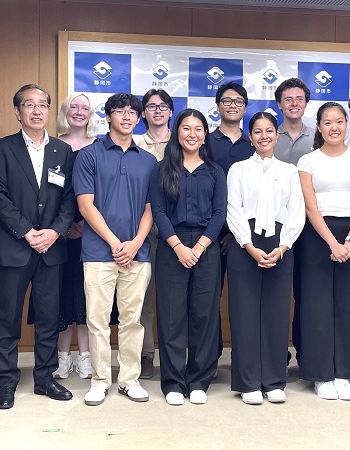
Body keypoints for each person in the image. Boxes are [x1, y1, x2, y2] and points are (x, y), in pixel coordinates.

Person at [0, 84, 77, 410]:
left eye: (42, 105)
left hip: (51, 249)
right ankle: (6, 381)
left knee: (49, 317)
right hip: (15, 247)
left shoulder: (63, 151)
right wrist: (26, 231)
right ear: (17, 111)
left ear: (49, 111)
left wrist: (55, 231)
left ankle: (44, 378)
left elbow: (70, 198)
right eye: (29, 105)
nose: (37, 111)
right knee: (8, 317)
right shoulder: (1, 149)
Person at [74, 93, 157, 406]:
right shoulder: (89, 155)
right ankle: (99, 381)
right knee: (97, 321)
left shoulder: (148, 160)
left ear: (139, 118)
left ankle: (129, 380)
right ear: (108, 116)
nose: (127, 117)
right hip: (98, 252)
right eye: (120, 112)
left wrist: (135, 243)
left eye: (133, 112)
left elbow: (151, 208)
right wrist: (113, 242)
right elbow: (85, 205)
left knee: (132, 320)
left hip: (138, 253)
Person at [226, 111, 305, 405]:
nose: (264, 136)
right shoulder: (238, 169)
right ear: (250, 136)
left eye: (269, 130)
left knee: (276, 313)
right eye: (257, 131)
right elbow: (233, 209)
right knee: (244, 314)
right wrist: (248, 246)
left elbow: (296, 212)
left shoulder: (289, 171)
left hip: (280, 244)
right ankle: (247, 382)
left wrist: (283, 247)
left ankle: (273, 381)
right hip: (244, 243)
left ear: (277, 134)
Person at [296, 102, 350, 400]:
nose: (334, 127)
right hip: (317, 236)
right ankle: (321, 375)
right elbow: (310, 207)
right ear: (319, 126)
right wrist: (332, 243)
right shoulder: (308, 161)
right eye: (327, 122)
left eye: (339, 121)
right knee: (316, 305)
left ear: (347, 124)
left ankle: (344, 373)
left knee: (349, 306)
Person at [150, 109, 227, 406]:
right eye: (186, 128)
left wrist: (200, 246)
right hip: (172, 246)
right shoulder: (162, 169)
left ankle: (198, 381)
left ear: (205, 134)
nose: (192, 134)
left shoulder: (215, 171)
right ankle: (172, 382)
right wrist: (179, 247)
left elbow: (220, 213)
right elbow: (158, 211)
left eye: (198, 129)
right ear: (177, 132)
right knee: (171, 316)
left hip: (206, 248)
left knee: (204, 315)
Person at [52, 92, 98, 380]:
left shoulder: (100, 147)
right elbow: (46, 193)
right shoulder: (52, 147)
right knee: (60, 296)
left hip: (91, 235)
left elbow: (103, 193)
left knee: (86, 296)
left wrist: (85, 224)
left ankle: (85, 358)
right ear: (65, 112)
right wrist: (63, 226)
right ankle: (62, 359)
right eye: (74, 107)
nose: (79, 112)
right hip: (57, 235)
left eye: (85, 108)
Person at [208, 82, 254, 368]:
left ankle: (244, 358)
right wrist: (219, 231)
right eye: (227, 101)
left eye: (238, 101)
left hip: (244, 236)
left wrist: (236, 233)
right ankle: (210, 359)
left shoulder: (254, 144)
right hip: (209, 236)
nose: (233, 105)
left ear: (245, 107)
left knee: (244, 301)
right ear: (218, 106)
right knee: (209, 300)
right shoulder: (205, 142)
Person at [273, 77, 315, 366]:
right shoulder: (267, 135)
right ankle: (277, 353)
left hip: (310, 226)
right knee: (276, 292)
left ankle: (305, 352)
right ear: (279, 104)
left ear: (306, 103)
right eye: (288, 99)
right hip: (275, 227)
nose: (294, 104)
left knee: (306, 292)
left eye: (299, 99)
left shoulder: (319, 137)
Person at [134, 88, 175, 379]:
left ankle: (176, 355)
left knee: (174, 297)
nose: (157, 111)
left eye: (162, 106)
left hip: (176, 231)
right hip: (142, 230)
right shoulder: (135, 144)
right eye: (151, 106)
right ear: (143, 114)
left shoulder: (184, 140)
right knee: (142, 296)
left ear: (171, 111)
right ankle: (145, 354)